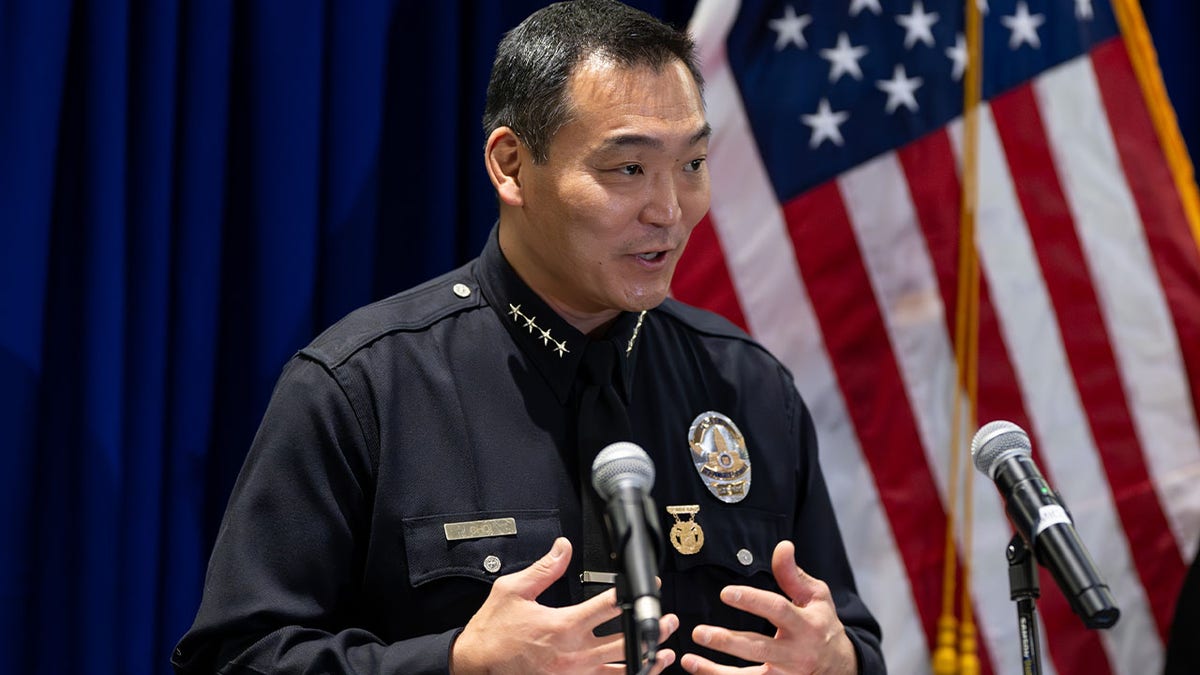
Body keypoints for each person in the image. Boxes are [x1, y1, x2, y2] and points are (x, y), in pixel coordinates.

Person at [172, 1, 884, 673]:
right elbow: (233, 655)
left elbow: (846, 632)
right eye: (628, 168)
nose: (669, 210)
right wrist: (453, 661)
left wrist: (839, 658)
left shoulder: (750, 387)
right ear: (511, 165)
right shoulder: (365, 388)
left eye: (693, 165)